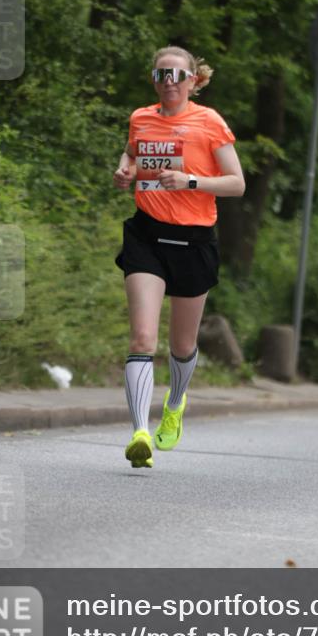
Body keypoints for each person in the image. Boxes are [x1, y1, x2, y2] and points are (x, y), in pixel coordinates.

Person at [113, 46, 245, 467]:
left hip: (193, 240)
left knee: (182, 345)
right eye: (161, 74)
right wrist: (125, 171)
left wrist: (189, 181)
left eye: (176, 75)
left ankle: (175, 402)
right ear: (154, 79)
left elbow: (237, 183)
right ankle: (139, 434)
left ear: (192, 81)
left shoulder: (210, 123)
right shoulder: (141, 117)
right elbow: (133, 153)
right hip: (147, 236)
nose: (168, 82)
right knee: (142, 340)